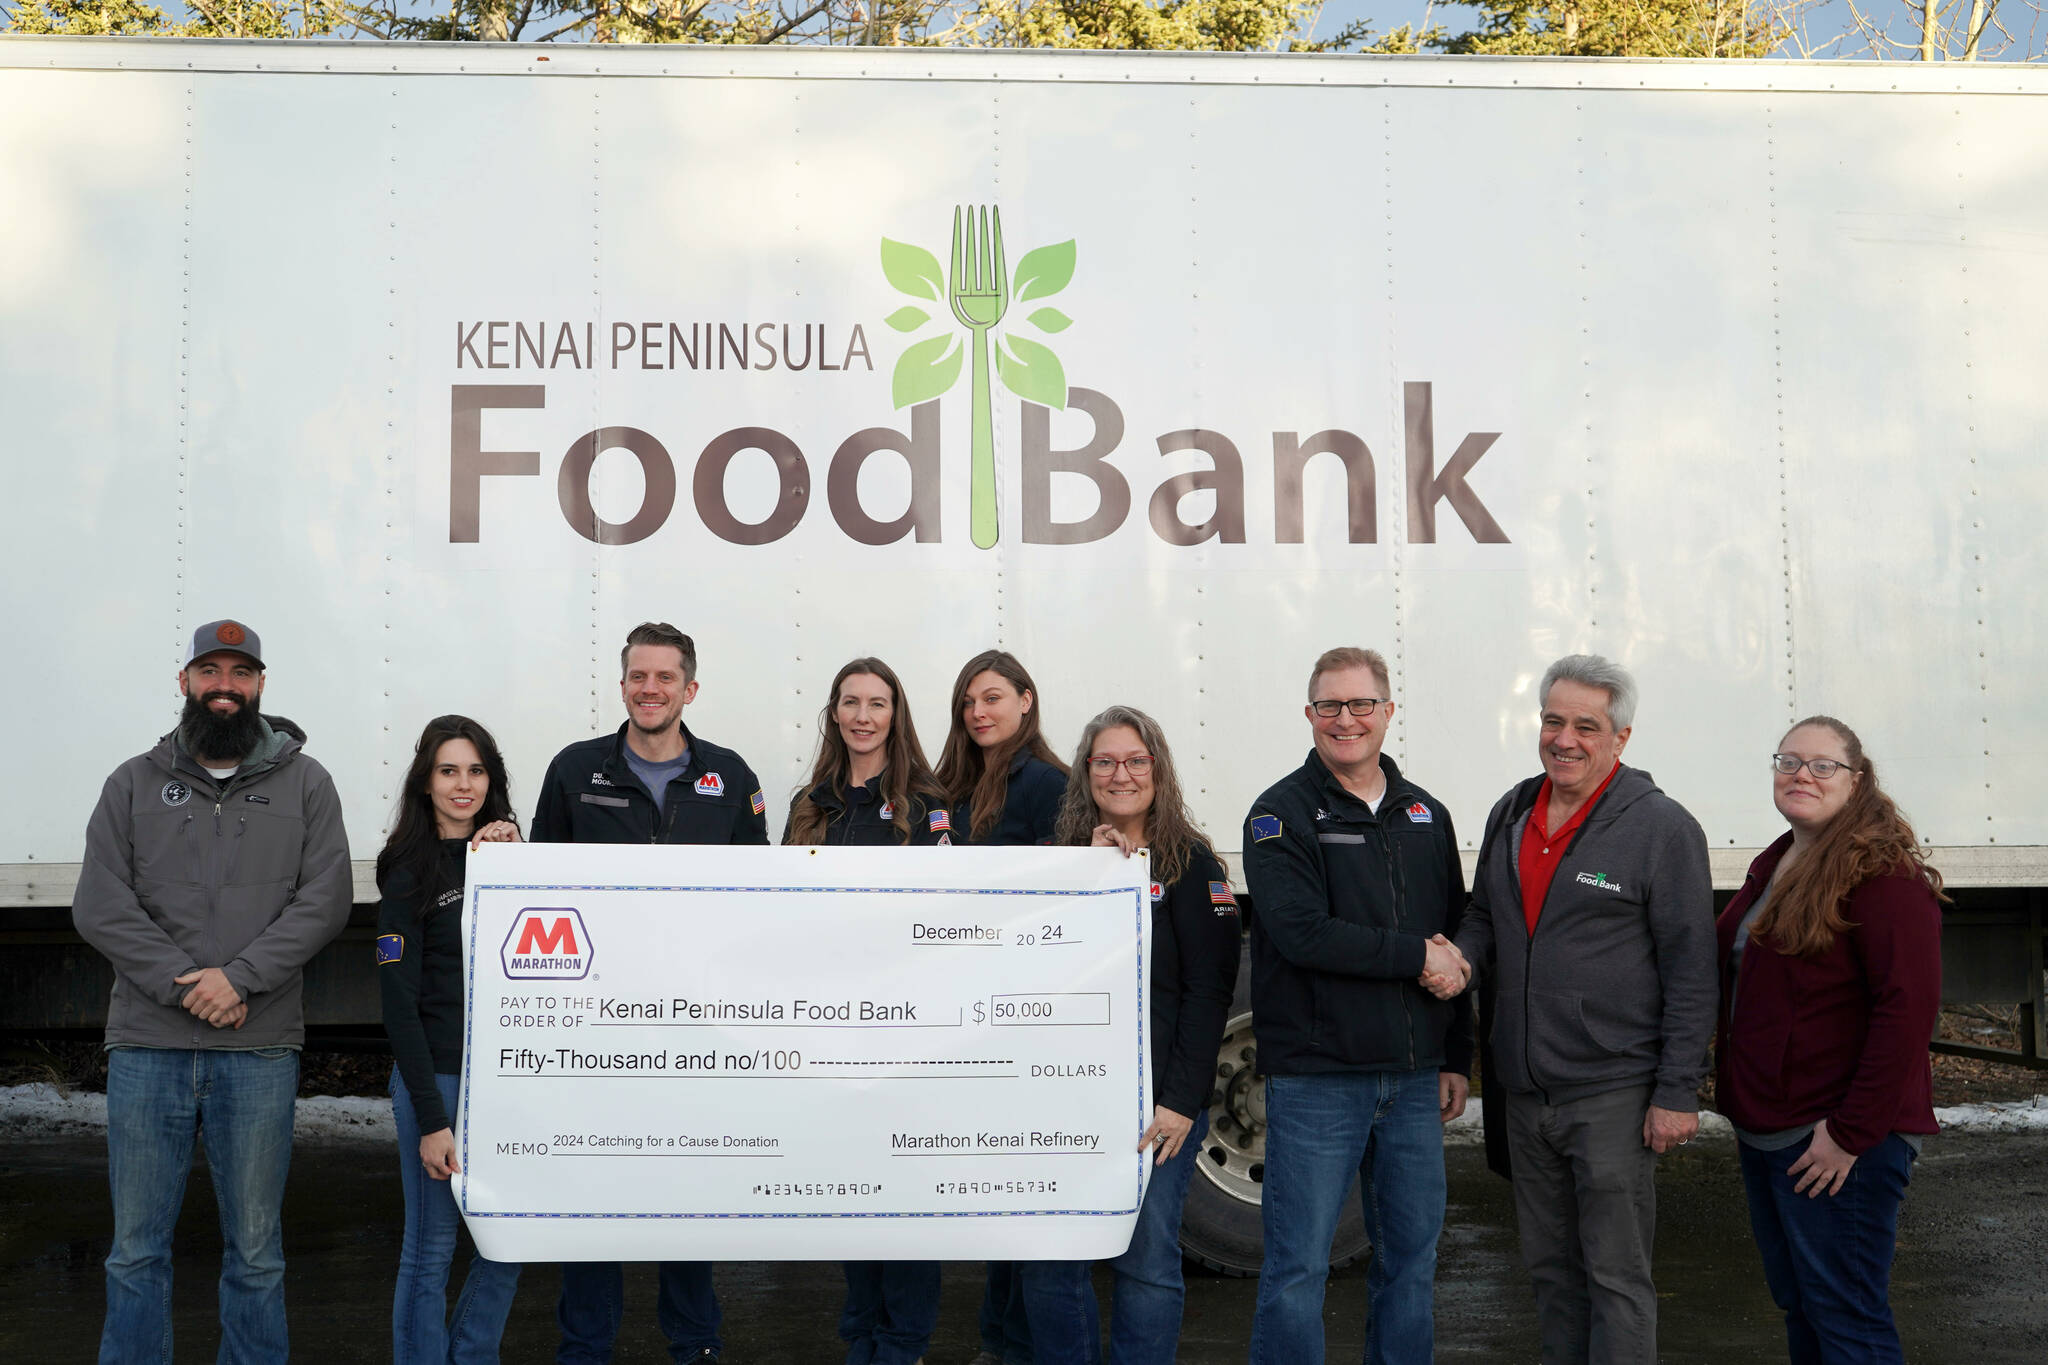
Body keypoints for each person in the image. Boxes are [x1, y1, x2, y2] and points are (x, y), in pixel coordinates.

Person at [73, 618, 353, 1364]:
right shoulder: (132, 781)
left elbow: (326, 899)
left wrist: (240, 979)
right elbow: (100, 903)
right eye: (209, 671)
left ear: (261, 683)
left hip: (257, 1047)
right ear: (185, 681)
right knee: (135, 1250)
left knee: (256, 1252)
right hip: (147, 1046)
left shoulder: (308, 783)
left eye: (240, 672)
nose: (223, 686)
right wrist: (184, 985)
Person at [1439, 653, 1716, 1365]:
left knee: (1617, 1278)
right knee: (1550, 1273)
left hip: (1612, 1094)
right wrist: (1461, 958)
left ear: (1620, 738)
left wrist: (1677, 1090)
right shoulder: (1513, 809)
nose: (1564, 738)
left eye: (1585, 726)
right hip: (1525, 1094)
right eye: (1553, 720)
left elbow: (1692, 969)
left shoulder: (1661, 828)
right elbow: (1483, 914)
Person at [532, 622, 770, 1365]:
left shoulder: (731, 777)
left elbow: (758, 901)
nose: (650, 689)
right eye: (639, 675)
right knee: (592, 1187)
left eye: (666, 677)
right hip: (596, 1026)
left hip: (697, 1029)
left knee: (685, 1185)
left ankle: (696, 1342)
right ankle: (585, 1346)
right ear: (623, 683)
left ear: (689, 689)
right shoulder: (575, 771)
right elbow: (540, 888)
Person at [1243, 647, 1473, 1365]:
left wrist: (1455, 1057)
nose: (1347, 720)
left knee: (1410, 1264)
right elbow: (1301, 932)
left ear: (1388, 711)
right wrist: (1417, 958)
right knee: (1296, 1271)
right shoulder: (1278, 814)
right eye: (1330, 706)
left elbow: (1453, 936)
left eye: (1361, 704)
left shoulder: (1424, 813)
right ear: (1310, 715)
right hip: (1319, 1081)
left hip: (1410, 1081)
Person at [1013, 706, 1240, 1365]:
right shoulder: (1062, 863)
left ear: (1158, 769)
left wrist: (1180, 1101)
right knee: (1052, 1264)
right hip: (1069, 1100)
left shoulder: (1194, 865)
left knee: (1145, 1262)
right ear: (1086, 772)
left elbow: (1209, 994)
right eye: (1106, 760)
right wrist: (1081, 881)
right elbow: (1033, 971)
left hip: (1156, 1107)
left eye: (1136, 760)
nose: (1121, 773)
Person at [1716, 718, 1943, 1365]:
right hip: (1770, 1130)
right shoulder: (1779, 860)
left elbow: (1906, 1011)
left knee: (1848, 1318)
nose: (1801, 774)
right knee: (1807, 1309)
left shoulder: (1884, 877)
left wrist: (1849, 1132)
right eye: (1789, 760)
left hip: (1836, 1139)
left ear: (1859, 779)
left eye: (1822, 765)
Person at [781, 658, 954, 1365]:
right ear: (834, 712)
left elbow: (946, 907)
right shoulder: (810, 803)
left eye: (876, 703)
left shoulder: (928, 800)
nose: (862, 715)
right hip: (828, 1027)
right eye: (849, 701)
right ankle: (862, 1331)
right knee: (849, 1187)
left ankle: (903, 1342)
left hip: (907, 1029)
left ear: (895, 713)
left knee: (906, 1192)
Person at [378, 716, 527, 1364]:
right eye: (448, 770)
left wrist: (516, 851)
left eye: (475, 770)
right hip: (437, 1076)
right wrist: (433, 1119)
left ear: (490, 779)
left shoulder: (510, 856)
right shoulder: (408, 869)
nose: (462, 784)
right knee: (432, 1247)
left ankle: (471, 1353)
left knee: (512, 1237)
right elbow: (397, 1003)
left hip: (509, 1082)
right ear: (425, 780)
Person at [934, 649, 1064, 1365]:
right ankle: (1001, 1337)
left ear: (1026, 698)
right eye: (967, 702)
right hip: (963, 1007)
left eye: (991, 697)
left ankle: (1011, 1345)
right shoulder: (953, 786)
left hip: (1020, 1011)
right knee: (994, 1192)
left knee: (1017, 1190)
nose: (978, 711)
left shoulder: (1047, 783)